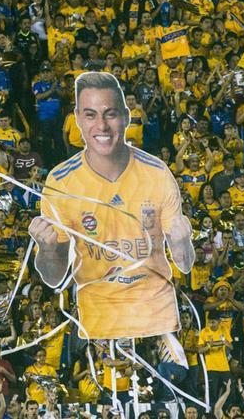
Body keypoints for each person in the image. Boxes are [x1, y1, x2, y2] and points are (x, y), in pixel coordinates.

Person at [28, 71, 194, 340]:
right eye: (91, 114)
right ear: (78, 119)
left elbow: (185, 265)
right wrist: (47, 249)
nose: (102, 126)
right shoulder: (61, 181)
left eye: (111, 113)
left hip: (156, 323)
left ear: (126, 117)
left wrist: (182, 242)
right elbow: (53, 277)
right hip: (99, 326)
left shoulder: (157, 173)